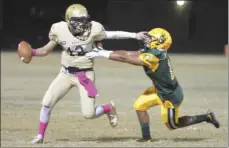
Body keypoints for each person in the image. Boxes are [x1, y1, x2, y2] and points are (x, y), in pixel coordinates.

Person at [27, 4, 148, 144]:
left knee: (89, 114)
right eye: (77, 21)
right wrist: (33, 52)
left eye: (83, 20)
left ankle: (108, 108)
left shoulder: (93, 29)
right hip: (65, 74)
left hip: (84, 76)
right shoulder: (59, 29)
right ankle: (40, 136)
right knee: (47, 102)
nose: (81, 25)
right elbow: (46, 50)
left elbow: (112, 34)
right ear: (68, 20)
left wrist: (135, 35)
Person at [85, 28, 220, 142]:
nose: (146, 40)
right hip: (158, 90)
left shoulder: (155, 56)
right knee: (139, 106)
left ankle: (206, 117)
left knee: (173, 124)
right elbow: (128, 54)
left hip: (170, 96)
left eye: (150, 39)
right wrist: (104, 52)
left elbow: (126, 58)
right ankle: (146, 138)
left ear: (159, 41)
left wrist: (102, 53)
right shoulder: (154, 52)